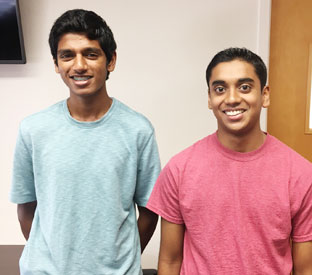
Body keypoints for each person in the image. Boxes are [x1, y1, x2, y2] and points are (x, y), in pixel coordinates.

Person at [10, 9, 160, 275]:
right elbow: (26, 209)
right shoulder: (33, 129)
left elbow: (149, 212)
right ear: (56, 64)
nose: (78, 65)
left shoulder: (138, 130)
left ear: (110, 60)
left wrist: (119, 263)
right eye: (67, 55)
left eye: (91, 54)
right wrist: (50, 260)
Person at [147, 47, 312, 274]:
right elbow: (169, 262)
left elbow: (305, 269)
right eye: (220, 89)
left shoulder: (302, 174)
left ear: (265, 95)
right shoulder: (179, 169)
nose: (232, 98)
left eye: (245, 87)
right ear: (209, 98)